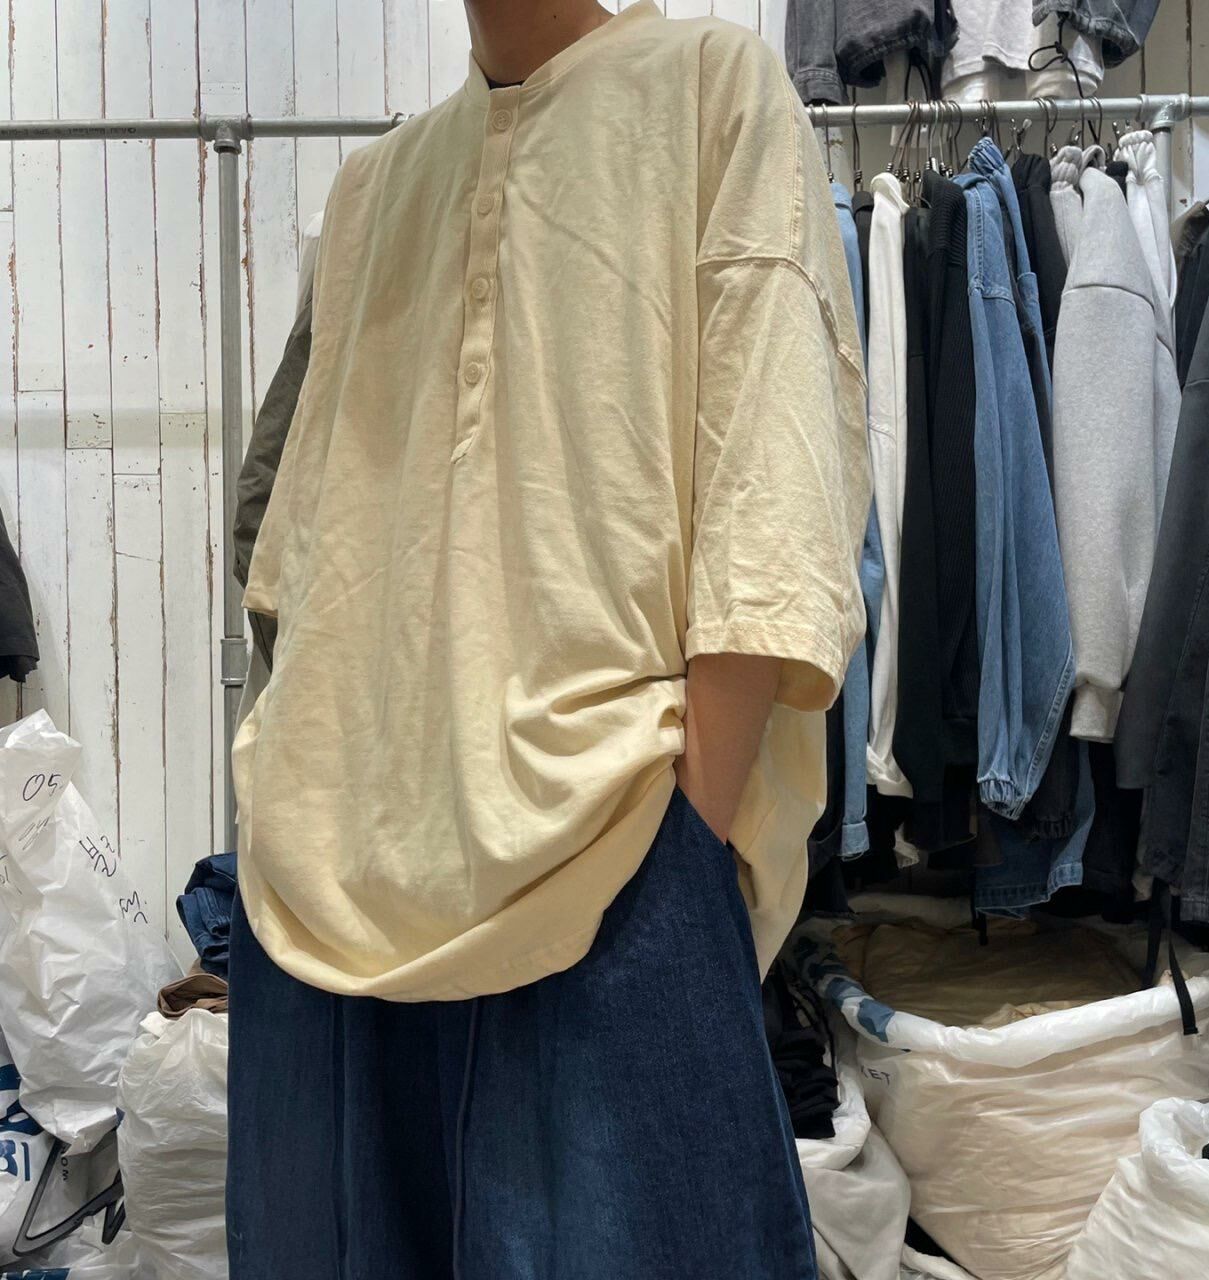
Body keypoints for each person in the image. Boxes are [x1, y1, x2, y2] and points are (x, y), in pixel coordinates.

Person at [225, 1, 869, 1275]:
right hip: (322, 911)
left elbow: (771, 503)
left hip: (612, 874)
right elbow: (297, 558)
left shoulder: (712, 89)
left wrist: (688, 831)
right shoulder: (372, 190)